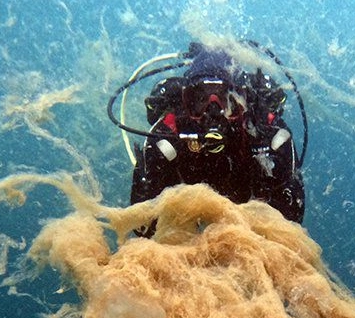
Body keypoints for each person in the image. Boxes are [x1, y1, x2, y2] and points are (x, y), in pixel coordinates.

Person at [108, 42, 306, 236]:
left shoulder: (265, 132)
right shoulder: (169, 133)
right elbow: (143, 227)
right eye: (201, 99)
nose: (213, 110)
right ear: (186, 101)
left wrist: (277, 168)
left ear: (241, 100)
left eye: (224, 98)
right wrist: (150, 179)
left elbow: (291, 222)